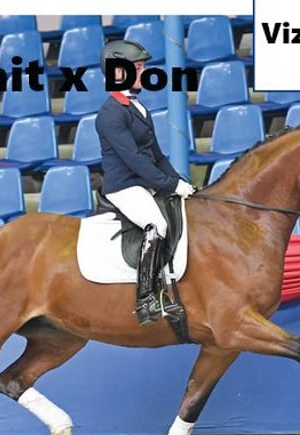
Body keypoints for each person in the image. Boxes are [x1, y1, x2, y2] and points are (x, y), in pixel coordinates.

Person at [95, 40, 196, 326]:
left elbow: (156, 155)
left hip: (145, 181)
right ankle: (146, 299)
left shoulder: (138, 108)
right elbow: (134, 160)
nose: (143, 72)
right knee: (157, 224)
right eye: (138, 68)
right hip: (124, 185)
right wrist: (169, 185)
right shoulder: (110, 114)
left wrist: (180, 182)